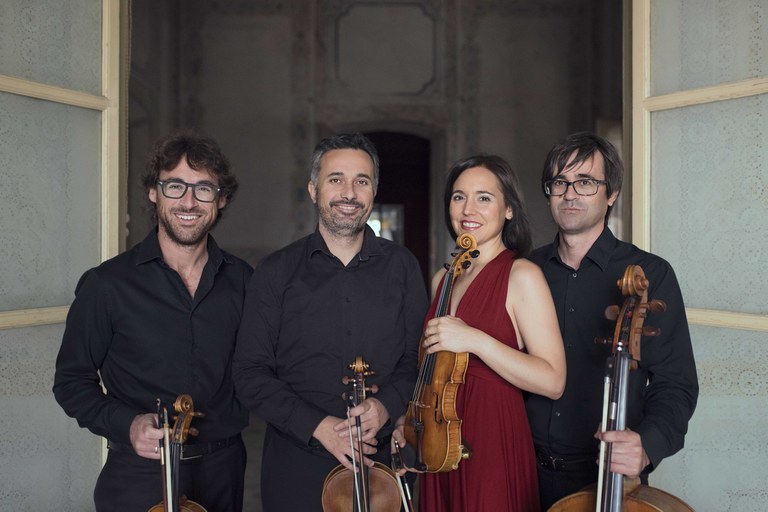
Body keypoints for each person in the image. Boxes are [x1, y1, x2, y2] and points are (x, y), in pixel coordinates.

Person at [53, 133, 251, 512]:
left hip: (223, 470)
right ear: (153, 192)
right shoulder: (107, 284)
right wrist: (127, 424)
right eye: (175, 186)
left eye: (203, 188)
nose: (188, 202)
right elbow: (71, 382)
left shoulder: (244, 281)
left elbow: (264, 368)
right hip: (138, 473)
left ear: (221, 199)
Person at [232, 132, 429, 511]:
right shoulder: (275, 272)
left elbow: (417, 359)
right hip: (296, 464)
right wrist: (318, 426)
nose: (349, 193)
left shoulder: (402, 266)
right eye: (336, 179)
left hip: (381, 462)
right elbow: (249, 374)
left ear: (374, 192)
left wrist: (386, 405)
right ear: (313, 189)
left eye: (361, 181)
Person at [526, 132, 699, 509]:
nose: (570, 194)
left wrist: (647, 445)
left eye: (585, 182)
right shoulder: (526, 271)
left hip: (605, 476)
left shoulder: (650, 274)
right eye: (560, 182)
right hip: (522, 472)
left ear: (612, 193)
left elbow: (676, 384)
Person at [393, 155, 566, 511]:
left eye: (484, 197)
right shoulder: (443, 279)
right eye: (459, 197)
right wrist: (409, 424)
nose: (468, 209)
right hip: (439, 441)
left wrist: (475, 340)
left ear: (509, 209)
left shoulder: (522, 275)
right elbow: (431, 372)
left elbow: (553, 380)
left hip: (493, 440)